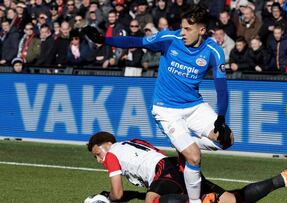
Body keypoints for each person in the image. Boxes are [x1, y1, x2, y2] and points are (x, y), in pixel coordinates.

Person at [83, 5, 233, 203]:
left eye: (188, 29)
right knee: (194, 157)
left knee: (228, 139)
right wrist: (104, 40)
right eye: (182, 27)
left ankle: (186, 142)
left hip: (194, 106)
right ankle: (196, 201)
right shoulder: (169, 40)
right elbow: (135, 41)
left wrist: (221, 117)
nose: (182, 32)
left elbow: (221, 88)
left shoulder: (214, 51)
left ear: (202, 30)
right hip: (167, 110)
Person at [85, 131, 287, 203]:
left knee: (152, 200)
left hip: (165, 170)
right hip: (173, 167)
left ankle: (201, 201)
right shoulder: (132, 142)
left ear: (106, 145)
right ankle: (284, 179)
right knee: (230, 200)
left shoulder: (112, 154)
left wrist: (106, 198)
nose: (99, 160)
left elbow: (118, 193)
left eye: (97, 154)